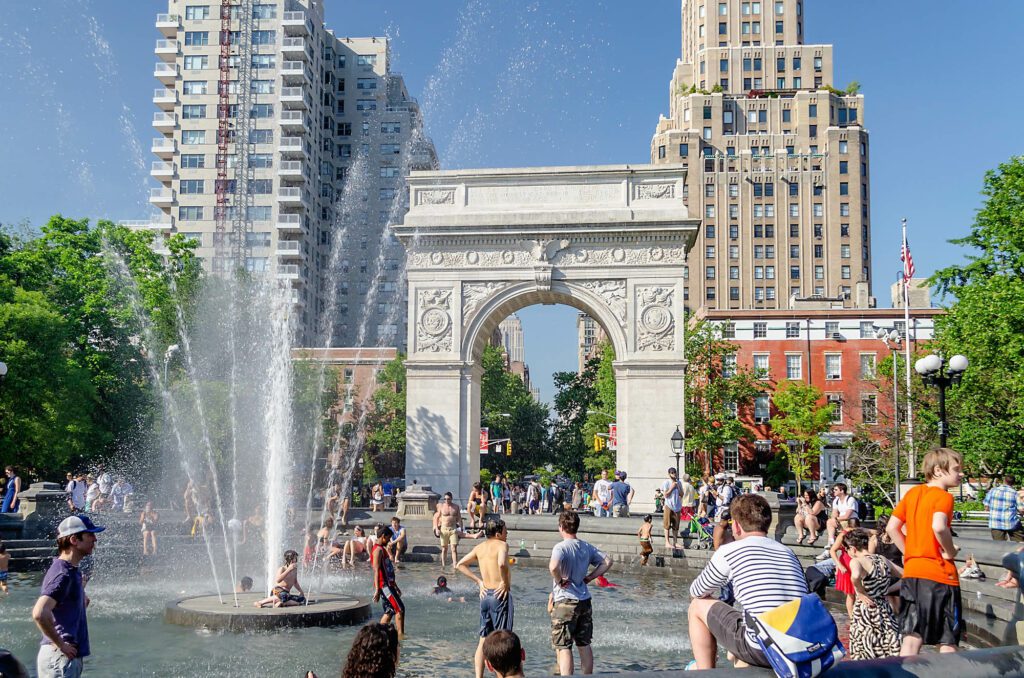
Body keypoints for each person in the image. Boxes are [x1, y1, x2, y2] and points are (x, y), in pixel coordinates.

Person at [687, 494, 806, 670]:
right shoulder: (787, 552)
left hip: (763, 648)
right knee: (747, 630)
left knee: (697, 605)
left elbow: (696, 590)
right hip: (802, 645)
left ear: (735, 525)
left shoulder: (730, 550)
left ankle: (704, 672)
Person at [885, 447, 964, 656]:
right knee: (947, 641)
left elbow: (891, 527)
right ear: (939, 470)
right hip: (940, 576)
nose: (961, 474)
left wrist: (909, 551)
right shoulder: (944, 497)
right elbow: (939, 526)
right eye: (957, 469)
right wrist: (950, 551)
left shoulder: (913, 494)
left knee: (911, 638)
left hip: (912, 574)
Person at [32, 514, 105, 678]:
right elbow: (39, 613)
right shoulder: (63, 574)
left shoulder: (70, 571)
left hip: (63, 658)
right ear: (74, 540)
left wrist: (80, 597)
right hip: (60, 658)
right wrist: (61, 644)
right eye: (90, 535)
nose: (95, 539)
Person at [548, 510, 612, 675]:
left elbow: (553, 567)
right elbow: (607, 561)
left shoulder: (560, 547)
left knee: (564, 646)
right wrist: (590, 577)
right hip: (584, 600)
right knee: (584, 644)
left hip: (565, 601)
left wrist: (559, 580)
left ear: (561, 527)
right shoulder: (586, 546)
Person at [456, 518, 513, 678]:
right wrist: (505, 582)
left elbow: (460, 564)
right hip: (499, 596)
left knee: (483, 640)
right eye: (505, 531)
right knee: (502, 640)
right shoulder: (502, 545)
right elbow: (502, 564)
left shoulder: (479, 547)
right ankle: (501, 676)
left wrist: (479, 582)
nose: (507, 533)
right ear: (497, 533)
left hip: (485, 596)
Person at [846, 527, 903, 660]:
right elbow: (906, 575)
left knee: (865, 650)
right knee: (887, 646)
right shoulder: (882, 559)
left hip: (866, 610)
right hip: (884, 608)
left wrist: (860, 592)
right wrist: (887, 590)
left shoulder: (856, 561)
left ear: (853, 549)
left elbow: (855, 576)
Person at [372, 524, 405, 639]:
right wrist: (377, 589)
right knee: (399, 609)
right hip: (384, 585)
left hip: (389, 584)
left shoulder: (382, 549)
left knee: (390, 610)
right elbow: (376, 570)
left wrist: (395, 585)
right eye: (389, 538)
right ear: (383, 536)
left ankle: (378, 635)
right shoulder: (377, 550)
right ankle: (401, 636)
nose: (389, 541)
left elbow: (388, 569)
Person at [821, 483, 859, 559]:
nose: (833, 491)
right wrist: (834, 518)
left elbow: (847, 516)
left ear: (842, 491)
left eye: (835, 490)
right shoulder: (836, 500)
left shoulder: (850, 499)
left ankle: (830, 546)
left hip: (851, 521)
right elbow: (834, 513)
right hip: (841, 521)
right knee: (830, 522)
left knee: (830, 522)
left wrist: (835, 519)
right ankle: (831, 543)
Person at [983, 475, 1024, 541]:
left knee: (999, 546)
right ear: (1013, 483)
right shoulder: (1014, 493)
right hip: (1011, 523)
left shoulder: (992, 491)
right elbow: (1021, 509)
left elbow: (986, 507)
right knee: (1019, 544)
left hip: (995, 523)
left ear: (1004, 481)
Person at [829, 525, 857, 617]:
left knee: (858, 593)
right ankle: (851, 617)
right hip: (846, 565)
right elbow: (832, 550)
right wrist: (839, 566)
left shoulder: (859, 533)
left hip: (857, 563)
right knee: (851, 594)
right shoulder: (842, 535)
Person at [433, 492, 464, 567]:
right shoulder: (442, 507)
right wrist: (437, 528)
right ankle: (443, 565)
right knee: (444, 548)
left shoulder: (456, 507)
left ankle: (455, 564)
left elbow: (459, 518)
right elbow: (437, 518)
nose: (447, 500)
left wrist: (461, 528)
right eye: (445, 499)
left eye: (448, 499)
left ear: (451, 499)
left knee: (454, 548)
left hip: (453, 529)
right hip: (444, 529)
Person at [661, 468, 682, 549]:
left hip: (677, 506)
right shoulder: (666, 482)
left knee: (676, 525)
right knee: (667, 524)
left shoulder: (679, 482)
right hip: (668, 505)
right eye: (672, 473)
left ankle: (675, 542)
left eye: (674, 472)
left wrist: (678, 486)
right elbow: (665, 495)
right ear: (669, 474)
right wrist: (672, 487)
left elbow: (681, 494)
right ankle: (667, 542)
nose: (674, 474)